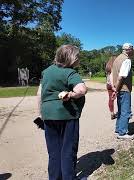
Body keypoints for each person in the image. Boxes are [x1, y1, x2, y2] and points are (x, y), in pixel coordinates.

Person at [37, 45, 87, 180]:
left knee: (54, 151)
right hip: (67, 115)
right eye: (77, 57)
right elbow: (82, 90)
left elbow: (39, 94)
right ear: (71, 58)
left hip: (47, 115)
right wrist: (71, 94)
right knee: (68, 150)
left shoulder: (46, 71)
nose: (79, 60)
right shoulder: (70, 73)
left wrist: (41, 113)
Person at [111, 43, 134, 139]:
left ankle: (118, 128)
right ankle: (122, 132)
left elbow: (112, 74)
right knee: (125, 111)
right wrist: (116, 90)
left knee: (120, 110)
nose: (133, 52)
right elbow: (121, 76)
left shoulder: (117, 59)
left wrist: (114, 87)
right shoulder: (127, 60)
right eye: (132, 50)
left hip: (119, 88)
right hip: (124, 89)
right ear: (129, 49)